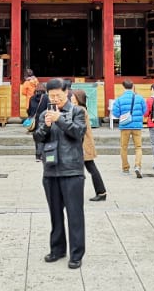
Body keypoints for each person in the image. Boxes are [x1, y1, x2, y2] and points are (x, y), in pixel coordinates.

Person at [33, 77, 86, 269]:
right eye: (51, 96)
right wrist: (46, 126)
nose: (54, 99)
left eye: (58, 95)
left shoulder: (78, 111)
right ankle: (57, 249)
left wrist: (60, 120)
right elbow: (37, 138)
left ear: (67, 93)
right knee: (55, 214)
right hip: (51, 170)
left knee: (75, 214)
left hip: (72, 170)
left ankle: (76, 254)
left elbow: (78, 133)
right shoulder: (44, 114)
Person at [71, 89, 107, 201]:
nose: (71, 98)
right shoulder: (80, 109)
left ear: (78, 98)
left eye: (73, 96)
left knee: (86, 169)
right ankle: (101, 192)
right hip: (84, 144)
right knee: (90, 168)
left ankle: (100, 192)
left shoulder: (79, 110)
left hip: (83, 144)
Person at [112, 79, 148, 178]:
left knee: (124, 147)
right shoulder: (140, 98)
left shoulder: (119, 99)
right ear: (133, 86)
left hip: (125, 126)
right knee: (138, 147)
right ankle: (137, 166)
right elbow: (145, 112)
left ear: (123, 87)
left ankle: (125, 168)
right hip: (137, 126)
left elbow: (115, 113)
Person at [28, 82, 48, 161]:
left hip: (35, 121)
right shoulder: (46, 98)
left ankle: (37, 155)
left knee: (37, 137)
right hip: (43, 120)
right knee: (44, 138)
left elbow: (29, 110)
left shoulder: (32, 98)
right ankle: (41, 155)